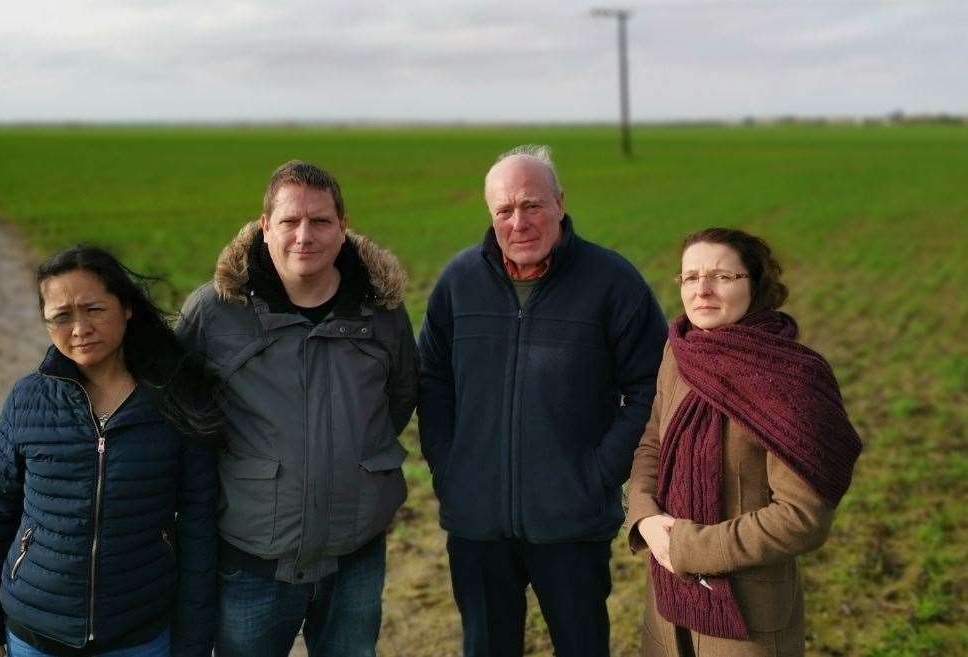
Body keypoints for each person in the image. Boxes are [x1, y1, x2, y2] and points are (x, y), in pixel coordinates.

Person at [418, 144, 667, 657]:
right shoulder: (458, 282)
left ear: (559, 203)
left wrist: (598, 473)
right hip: (477, 523)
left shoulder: (612, 282)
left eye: (532, 205)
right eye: (504, 210)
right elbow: (431, 382)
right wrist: (449, 468)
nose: (519, 222)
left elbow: (652, 386)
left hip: (571, 522)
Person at [176, 160, 418, 657]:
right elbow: (181, 410)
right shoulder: (213, 312)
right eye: (289, 221)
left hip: (356, 558)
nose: (304, 235)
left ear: (343, 227)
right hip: (252, 562)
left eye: (321, 221)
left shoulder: (383, 315)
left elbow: (397, 401)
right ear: (265, 227)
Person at [0, 246, 220, 657]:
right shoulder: (26, 400)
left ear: (126, 308)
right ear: (47, 324)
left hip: (141, 635)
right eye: (62, 316)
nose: (79, 328)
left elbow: (199, 526)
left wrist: (191, 643)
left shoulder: (176, 400)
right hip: (34, 634)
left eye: (94, 309)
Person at [626, 228, 862, 657]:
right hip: (666, 605)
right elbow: (652, 443)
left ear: (755, 285)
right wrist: (644, 517)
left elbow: (801, 517)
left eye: (722, 276)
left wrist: (685, 547)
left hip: (746, 620)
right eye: (690, 277)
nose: (702, 290)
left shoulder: (789, 379)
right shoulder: (678, 352)